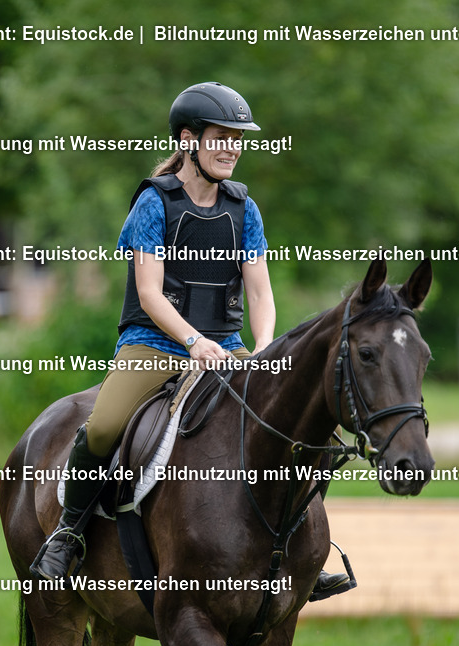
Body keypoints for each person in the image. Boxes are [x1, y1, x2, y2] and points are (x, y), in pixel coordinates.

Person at [30, 82, 349, 599]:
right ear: (188, 138)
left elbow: (260, 291)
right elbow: (151, 294)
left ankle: (296, 553)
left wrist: (263, 349)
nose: (232, 148)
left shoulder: (245, 209)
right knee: (106, 426)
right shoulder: (154, 204)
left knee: (304, 430)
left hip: (227, 349)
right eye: (221, 137)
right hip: (153, 345)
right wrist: (193, 341)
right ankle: (68, 532)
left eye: (238, 139)